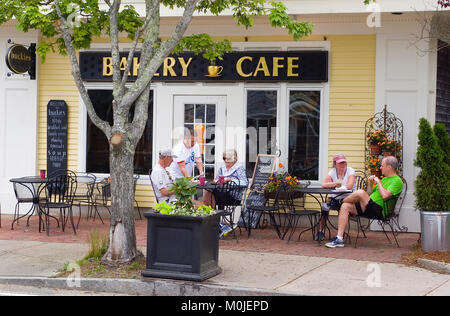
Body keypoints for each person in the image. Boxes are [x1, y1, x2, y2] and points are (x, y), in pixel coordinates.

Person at [325, 156, 403, 248]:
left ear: (389, 167)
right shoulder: (385, 179)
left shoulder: (397, 181)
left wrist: (378, 182)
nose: (380, 168)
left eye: (382, 166)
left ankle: (338, 202)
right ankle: (339, 239)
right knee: (346, 206)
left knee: (360, 192)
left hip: (379, 210)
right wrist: (370, 182)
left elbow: (385, 196)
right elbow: (369, 193)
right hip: (368, 206)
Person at [316, 153, 356, 241]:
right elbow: (324, 185)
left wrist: (337, 185)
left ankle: (340, 234)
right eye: (340, 163)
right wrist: (335, 184)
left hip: (347, 199)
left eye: (344, 162)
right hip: (335, 198)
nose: (342, 165)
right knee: (325, 206)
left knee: (342, 205)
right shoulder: (332, 172)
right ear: (335, 164)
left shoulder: (350, 171)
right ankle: (321, 231)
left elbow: (349, 186)